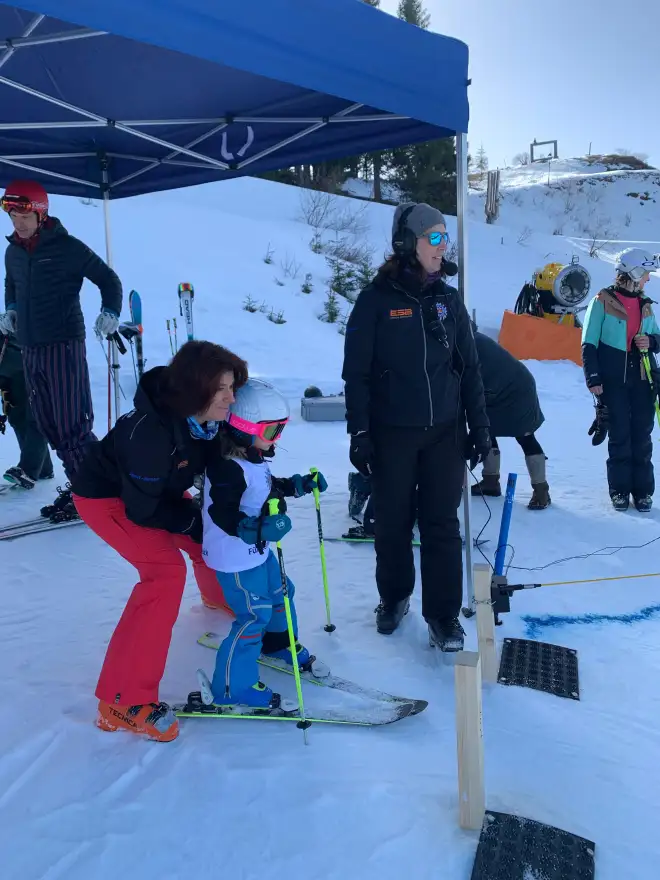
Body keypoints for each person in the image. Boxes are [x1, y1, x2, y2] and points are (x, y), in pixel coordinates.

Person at [70, 340, 249, 742]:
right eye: (221, 389)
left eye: (232, 388)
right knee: (164, 573)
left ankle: (220, 596)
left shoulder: (201, 420)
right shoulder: (149, 435)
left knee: (207, 535)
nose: (230, 398)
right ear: (194, 388)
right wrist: (188, 521)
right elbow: (142, 512)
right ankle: (121, 700)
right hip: (108, 500)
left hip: (156, 491)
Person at [341, 202, 491, 650]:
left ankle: (444, 615)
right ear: (408, 242)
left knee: (442, 524)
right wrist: (360, 432)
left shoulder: (448, 300)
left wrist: (480, 428)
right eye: (435, 238)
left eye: (446, 238)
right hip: (393, 434)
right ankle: (394, 598)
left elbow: (469, 367)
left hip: (445, 431)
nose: (443, 247)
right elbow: (356, 373)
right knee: (392, 522)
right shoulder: (375, 300)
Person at [200, 377, 327, 710]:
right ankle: (231, 687)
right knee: (253, 615)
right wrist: (255, 529)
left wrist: (298, 485)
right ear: (243, 428)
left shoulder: (254, 457)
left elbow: (265, 489)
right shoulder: (227, 467)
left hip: (257, 551)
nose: (277, 438)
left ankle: (277, 645)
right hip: (235, 558)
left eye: (281, 429)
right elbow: (222, 511)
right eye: (272, 431)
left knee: (281, 593)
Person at [1, 179, 122, 518]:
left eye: (23, 217)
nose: (17, 223)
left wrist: (110, 311)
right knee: (47, 422)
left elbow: (108, 279)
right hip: (30, 347)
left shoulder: (67, 247)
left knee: (73, 425)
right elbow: (11, 282)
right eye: (12, 216)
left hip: (63, 345)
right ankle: (82, 485)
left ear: (41, 213)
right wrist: (10, 308)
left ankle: (97, 493)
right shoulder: (12, 251)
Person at [581, 247, 660, 512]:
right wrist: (593, 377)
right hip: (613, 381)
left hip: (641, 379)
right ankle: (619, 490)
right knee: (619, 436)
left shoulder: (645, 305)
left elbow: (658, 338)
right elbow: (588, 343)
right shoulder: (602, 300)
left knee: (642, 435)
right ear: (635, 272)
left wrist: (650, 341)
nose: (648, 279)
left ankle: (643, 492)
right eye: (646, 273)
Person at [469, 320, 549, 510]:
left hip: (516, 389)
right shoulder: (468, 339)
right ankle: (490, 482)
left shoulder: (467, 345)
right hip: (494, 390)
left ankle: (541, 492)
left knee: (525, 435)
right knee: (486, 427)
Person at [0, 330, 54, 488]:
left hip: (31, 363)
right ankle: (43, 468)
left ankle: (28, 470)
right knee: (16, 417)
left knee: (35, 418)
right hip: (11, 373)